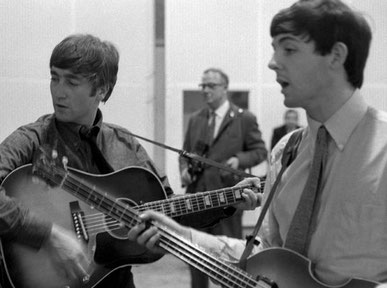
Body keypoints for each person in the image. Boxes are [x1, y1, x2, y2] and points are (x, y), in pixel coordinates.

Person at [128, 0, 387, 285]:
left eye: (288, 49)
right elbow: (266, 256)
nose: (272, 62)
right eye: (274, 49)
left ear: (335, 55)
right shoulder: (287, 152)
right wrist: (181, 236)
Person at [0, 34, 174, 288]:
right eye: (54, 77)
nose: (59, 91)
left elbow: (170, 207)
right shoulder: (31, 139)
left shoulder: (125, 144)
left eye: (71, 82)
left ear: (101, 90)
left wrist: (230, 202)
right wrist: (48, 234)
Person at [179, 68, 267, 288]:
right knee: (195, 257)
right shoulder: (196, 119)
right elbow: (185, 152)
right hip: (197, 200)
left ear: (225, 88)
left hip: (228, 200)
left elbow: (260, 151)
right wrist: (183, 170)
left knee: (230, 265)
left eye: (211, 86)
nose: (206, 90)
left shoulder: (244, 119)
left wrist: (239, 159)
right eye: (203, 86)